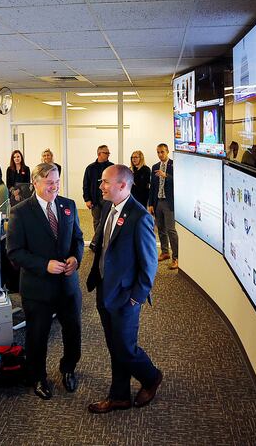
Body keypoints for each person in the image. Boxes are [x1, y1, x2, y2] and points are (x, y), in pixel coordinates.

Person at [86, 164, 162, 413]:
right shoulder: (109, 206)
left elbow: (149, 264)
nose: (101, 186)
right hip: (105, 290)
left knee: (126, 349)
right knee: (114, 345)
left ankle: (151, 377)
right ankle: (119, 396)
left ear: (122, 185)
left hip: (126, 296)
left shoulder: (140, 217)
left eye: (105, 182)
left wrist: (136, 299)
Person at [6, 163, 83, 400]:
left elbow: (78, 239)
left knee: (73, 331)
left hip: (68, 285)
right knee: (37, 335)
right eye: (50, 182)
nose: (55, 187)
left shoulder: (68, 206)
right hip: (37, 288)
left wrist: (75, 258)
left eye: (57, 181)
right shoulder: (20, 212)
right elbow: (14, 252)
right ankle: (38, 376)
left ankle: (68, 368)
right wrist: (44, 265)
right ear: (35, 183)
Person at [148, 143, 178, 270]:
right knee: (160, 228)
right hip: (158, 201)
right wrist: (150, 203)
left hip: (169, 202)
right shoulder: (155, 167)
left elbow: (179, 181)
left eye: (162, 152)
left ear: (167, 152)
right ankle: (165, 252)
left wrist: (166, 176)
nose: (160, 154)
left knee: (171, 230)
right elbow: (152, 187)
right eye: (158, 152)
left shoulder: (174, 165)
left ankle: (176, 257)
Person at [82, 145, 113, 233]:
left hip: (109, 199)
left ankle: (108, 239)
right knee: (97, 221)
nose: (108, 154)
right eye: (106, 153)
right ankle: (98, 239)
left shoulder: (112, 167)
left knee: (109, 220)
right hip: (95, 200)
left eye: (108, 153)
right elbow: (86, 185)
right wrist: (87, 199)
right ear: (99, 154)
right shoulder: (90, 168)